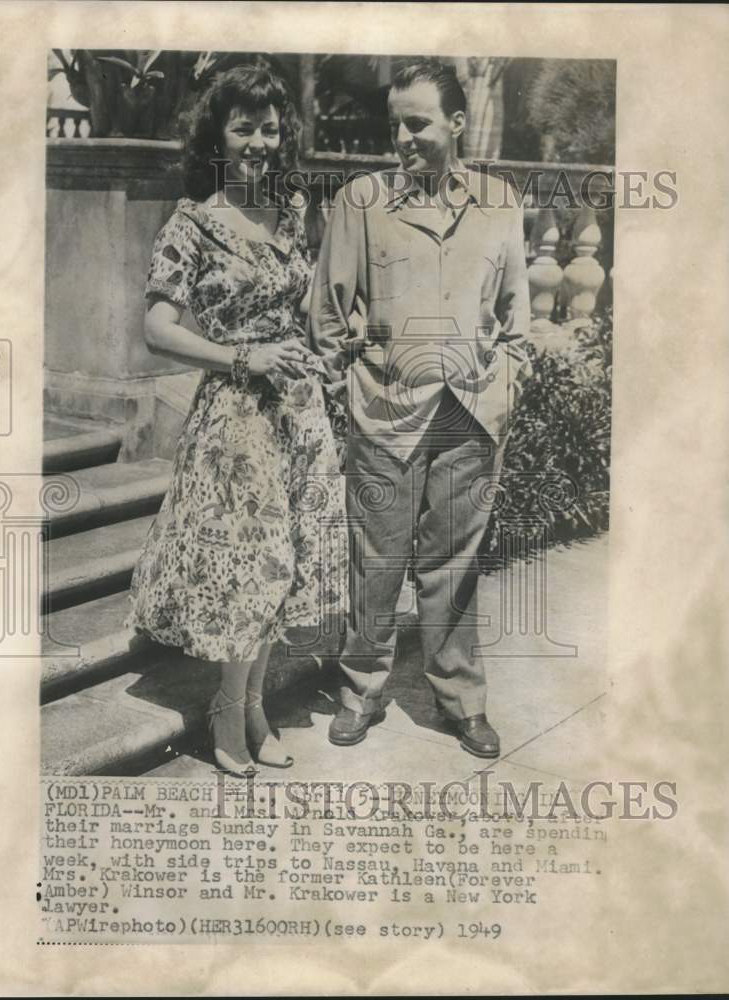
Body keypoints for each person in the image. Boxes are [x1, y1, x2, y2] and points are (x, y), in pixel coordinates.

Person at [126, 63, 347, 776]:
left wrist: (329, 349)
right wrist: (240, 357)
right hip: (235, 418)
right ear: (218, 134)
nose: (258, 140)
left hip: (298, 416)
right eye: (243, 126)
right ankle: (230, 708)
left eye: (270, 128)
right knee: (253, 563)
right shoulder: (192, 223)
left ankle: (252, 700)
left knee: (287, 564)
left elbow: (306, 316)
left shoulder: (290, 214)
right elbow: (158, 329)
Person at [308, 59, 531, 758]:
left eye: (416, 122)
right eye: (394, 124)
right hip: (385, 412)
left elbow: (515, 317)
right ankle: (361, 690)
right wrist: (366, 370)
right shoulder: (360, 202)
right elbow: (325, 313)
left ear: (456, 123)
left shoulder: (500, 204)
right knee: (374, 563)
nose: (401, 138)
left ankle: (461, 700)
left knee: (455, 566)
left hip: (468, 416)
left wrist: (503, 387)